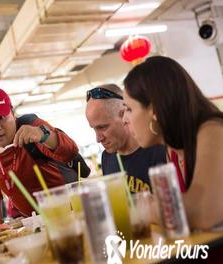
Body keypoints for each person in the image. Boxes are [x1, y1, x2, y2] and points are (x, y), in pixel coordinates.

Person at [122, 55, 223, 230]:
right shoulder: (173, 149)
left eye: (129, 109)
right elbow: (178, 211)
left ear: (154, 111)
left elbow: (200, 213)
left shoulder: (213, 130)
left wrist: (145, 207)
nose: (125, 119)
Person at [0, 88, 84, 222]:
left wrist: (42, 135)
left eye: (1, 118)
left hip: (68, 213)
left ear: (13, 113)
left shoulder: (31, 126)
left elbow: (70, 151)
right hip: (31, 221)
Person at [85, 84, 166, 192]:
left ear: (124, 115)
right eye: (94, 129)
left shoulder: (158, 150)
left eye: (103, 127)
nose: (98, 139)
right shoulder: (107, 157)